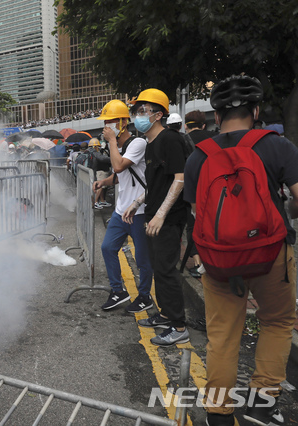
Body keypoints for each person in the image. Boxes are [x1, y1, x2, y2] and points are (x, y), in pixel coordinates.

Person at [184, 75, 298, 426]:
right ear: (256, 111)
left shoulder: (198, 157)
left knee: (222, 336)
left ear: (215, 117)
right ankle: (263, 404)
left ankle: (218, 413)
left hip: (219, 262)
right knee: (277, 322)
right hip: (271, 256)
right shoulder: (278, 146)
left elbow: (197, 215)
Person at [122, 88, 189, 346]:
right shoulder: (151, 145)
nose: (137, 116)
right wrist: (137, 202)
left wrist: (161, 214)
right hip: (152, 215)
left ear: (158, 115)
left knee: (166, 270)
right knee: (158, 269)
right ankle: (165, 315)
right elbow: (154, 185)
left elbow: (179, 179)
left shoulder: (170, 139)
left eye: (142, 111)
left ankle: (179, 325)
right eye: (136, 111)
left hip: (168, 219)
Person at [94, 100, 153, 313]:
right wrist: (103, 182)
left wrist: (110, 141)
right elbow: (119, 176)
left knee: (142, 259)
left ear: (122, 123)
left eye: (110, 122)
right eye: (105, 122)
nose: (106, 127)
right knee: (108, 248)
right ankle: (118, 291)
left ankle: (145, 296)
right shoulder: (118, 147)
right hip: (121, 211)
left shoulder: (138, 143)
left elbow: (119, 166)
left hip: (139, 212)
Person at [183, 110, 218, 278]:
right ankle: (213, 260)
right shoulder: (214, 137)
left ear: (185, 125)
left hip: (191, 190)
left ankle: (197, 263)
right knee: (214, 224)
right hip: (214, 188)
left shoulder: (182, 141)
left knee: (193, 225)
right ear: (203, 124)